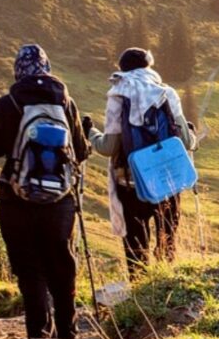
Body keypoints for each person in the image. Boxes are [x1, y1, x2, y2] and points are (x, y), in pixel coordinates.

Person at [0, 44, 89, 339]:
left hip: (16, 200)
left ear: (18, 71)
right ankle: (69, 337)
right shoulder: (66, 103)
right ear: (47, 67)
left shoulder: (8, 103)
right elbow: (80, 152)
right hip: (60, 201)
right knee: (62, 266)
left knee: (30, 269)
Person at [83, 47, 196, 279]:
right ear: (149, 67)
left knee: (136, 250)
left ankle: (139, 296)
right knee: (167, 246)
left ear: (122, 70)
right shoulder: (166, 93)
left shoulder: (118, 94)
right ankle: (167, 293)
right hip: (168, 182)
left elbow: (108, 147)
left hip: (131, 184)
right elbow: (186, 141)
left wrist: (90, 132)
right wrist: (191, 134)